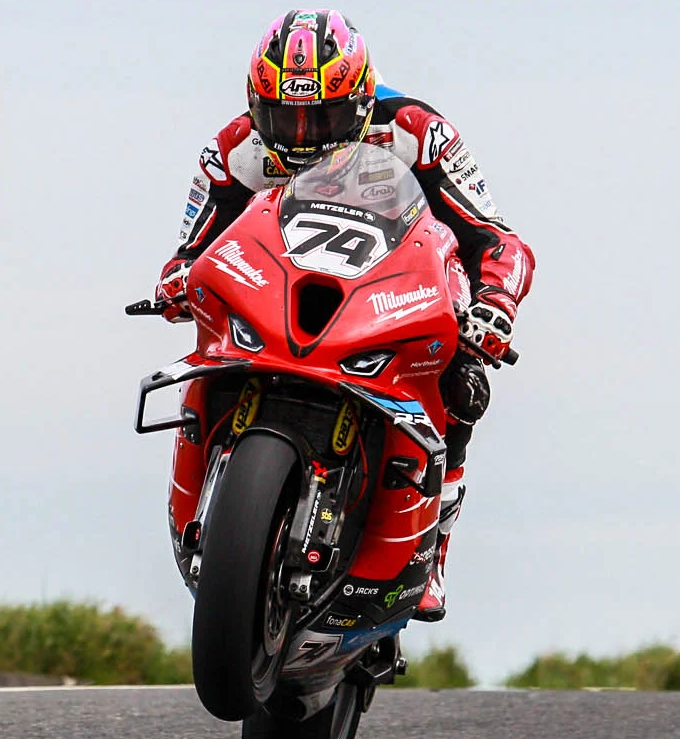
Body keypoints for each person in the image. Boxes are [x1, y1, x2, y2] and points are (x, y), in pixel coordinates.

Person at [154, 9, 535, 622]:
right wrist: (174, 281)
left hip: (390, 287)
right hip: (277, 288)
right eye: (284, 117)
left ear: (360, 102)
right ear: (256, 105)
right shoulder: (233, 148)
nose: (303, 137)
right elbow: (193, 246)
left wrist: (494, 304)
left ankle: (433, 546)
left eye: (322, 117)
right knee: (209, 344)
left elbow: (496, 239)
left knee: (463, 380)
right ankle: (208, 498)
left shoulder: (418, 132)